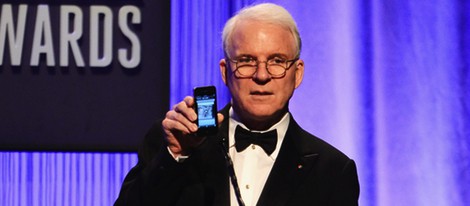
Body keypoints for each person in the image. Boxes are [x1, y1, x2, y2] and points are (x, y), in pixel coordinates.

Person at [115, 3, 359, 206]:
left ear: (297, 74)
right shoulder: (173, 143)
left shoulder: (333, 171)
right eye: (246, 60)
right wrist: (176, 157)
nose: (262, 75)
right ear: (225, 72)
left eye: (276, 60)